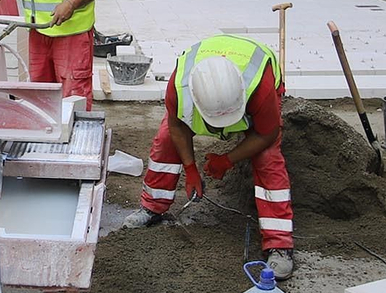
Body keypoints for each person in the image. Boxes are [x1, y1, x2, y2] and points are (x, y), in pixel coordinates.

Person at [125, 35, 295, 279]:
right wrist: (190, 169)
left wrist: (228, 159)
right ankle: (152, 207)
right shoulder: (180, 86)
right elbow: (176, 127)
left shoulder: (260, 85)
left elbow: (266, 135)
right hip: (207, 93)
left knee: (268, 159)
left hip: (256, 93)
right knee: (165, 140)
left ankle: (280, 244)